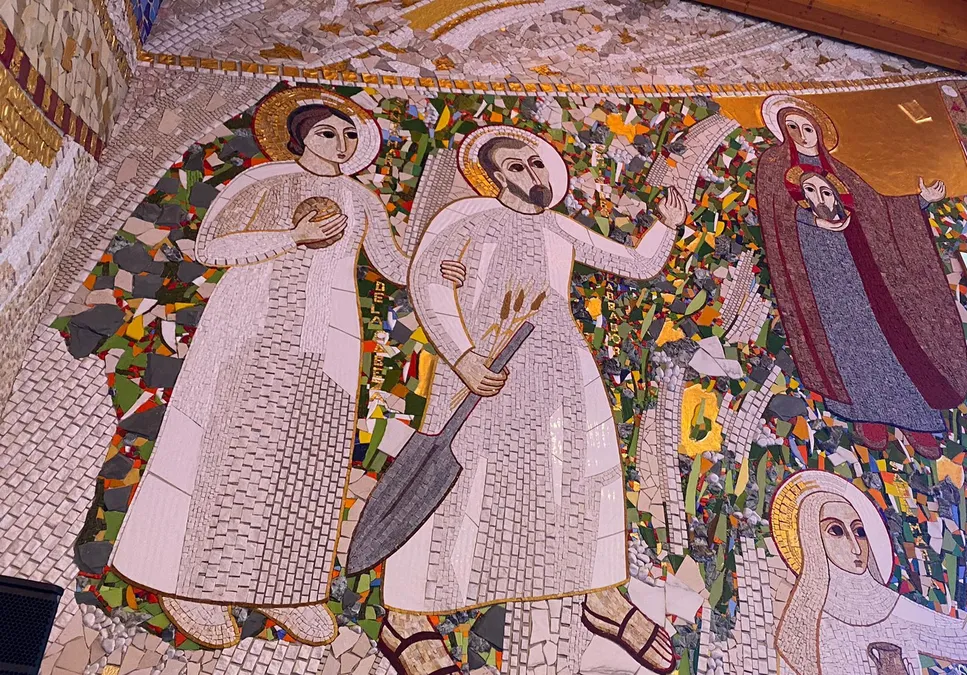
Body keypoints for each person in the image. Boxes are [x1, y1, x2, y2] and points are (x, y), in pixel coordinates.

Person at [108, 88, 463, 648]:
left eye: (349, 135)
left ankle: (286, 586)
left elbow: (394, 264)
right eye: (328, 132)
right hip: (251, 330)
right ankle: (191, 585)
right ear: (299, 137)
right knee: (233, 452)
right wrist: (290, 237)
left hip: (327, 340)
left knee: (309, 459)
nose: (341, 143)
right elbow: (210, 246)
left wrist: (435, 265)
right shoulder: (263, 180)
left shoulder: (359, 197)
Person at [375, 125, 688, 675]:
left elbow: (633, 263)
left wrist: (665, 226)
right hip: (483, 364)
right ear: (495, 177)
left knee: (583, 476)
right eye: (516, 166)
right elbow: (428, 281)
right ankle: (405, 617)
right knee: (454, 482)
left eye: (536, 163)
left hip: (559, 367)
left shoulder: (557, 226)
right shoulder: (467, 217)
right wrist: (462, 355)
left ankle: (601, 595)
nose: (531, 173)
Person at [753, 95, 967, 459]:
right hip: (816, 274)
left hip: (863, 266)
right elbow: (775, 216)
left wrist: (919, 201)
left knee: (891, 336)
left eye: (807, 128)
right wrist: (810, 221)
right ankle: (867, 415)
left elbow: (879, 210)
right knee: (845, 339)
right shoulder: (773, 166)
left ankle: (917, 419)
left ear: (819, 132)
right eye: (793, 128)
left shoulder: (841, 171)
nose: (802, 135)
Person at [771, 471, 967, 675]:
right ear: (812, 540)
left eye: (860, 531)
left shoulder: (887, 606)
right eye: (836, 531)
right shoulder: (804, 621)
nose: (855, 547)